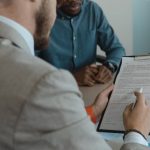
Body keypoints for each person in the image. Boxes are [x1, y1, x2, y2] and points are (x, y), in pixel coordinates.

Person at [0, 0, 150, 150]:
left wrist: (94, 111)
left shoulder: (92, 10)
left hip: (87, 99)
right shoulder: (45, 84)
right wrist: (136, 132)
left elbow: (116, 48)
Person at [37, 0, 126, 86]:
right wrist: (71, 77)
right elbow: (31, 66)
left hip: (90, 86)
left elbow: (116, 48)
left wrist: (109, 66)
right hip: (55, 88)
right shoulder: (42, 16)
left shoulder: (92, 10)